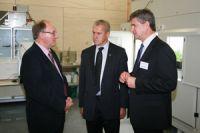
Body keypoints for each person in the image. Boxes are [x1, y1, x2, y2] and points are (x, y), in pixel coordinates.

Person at [119, 9, 177, 133]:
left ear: (146, 25)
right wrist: (129, 76)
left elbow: (169, 83)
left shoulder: (162, 50)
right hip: (140, 114)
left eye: (134, 25)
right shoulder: (144, 47)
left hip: (151, 118)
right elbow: (145, 74)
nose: (131, 29)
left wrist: (137, 82)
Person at [20, 20, 73, 133]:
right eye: (53, 33)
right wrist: (61, 104)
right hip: (43, 117)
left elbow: (60, 78)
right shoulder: (31, 57)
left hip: (57, 112)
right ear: (41, 35)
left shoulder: (51, 52)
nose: (56, 36)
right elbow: (37, 90)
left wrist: (66, 97)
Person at [79, 19, 129, 133]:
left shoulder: (119, 53)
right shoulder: (86, 53)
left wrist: (123, 105)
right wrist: (82, 104)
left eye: (99, 33)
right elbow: (83, 80)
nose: (95, 36)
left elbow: (124, 81)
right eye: (93, 33)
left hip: (111, 106)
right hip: (91, 106)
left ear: (107, 34)